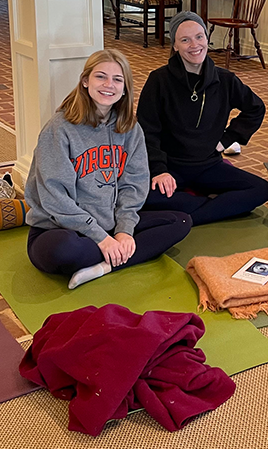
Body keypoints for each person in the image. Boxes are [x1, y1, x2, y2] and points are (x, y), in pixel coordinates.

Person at [25, 49, 192, 289]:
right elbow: (54, 198)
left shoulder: (130, 128)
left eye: (117, 79)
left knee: (181, 222)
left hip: (110, 224)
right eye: (100, 77)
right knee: (63, 251)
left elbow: (134, 185)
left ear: (125, 88)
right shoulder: (59, 128)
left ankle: (103, 266)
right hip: (58, 229)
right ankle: (112, 256)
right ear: (85, 81)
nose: (108, 85)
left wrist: (124, 231)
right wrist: (101, 239)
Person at [138, 11, 268, 224]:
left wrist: (226, 140)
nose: (194, 44)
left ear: (207, 39)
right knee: (139, 198)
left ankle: (188, 215)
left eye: (199, 37)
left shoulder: (225, 80)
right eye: (185, 39)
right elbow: (147, 131)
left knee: (260, 189)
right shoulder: (158, 81)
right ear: (175, 46)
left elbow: (255, 108)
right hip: (171, 166)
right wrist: (159, 171)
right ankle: (215, 207)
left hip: (209, 166)